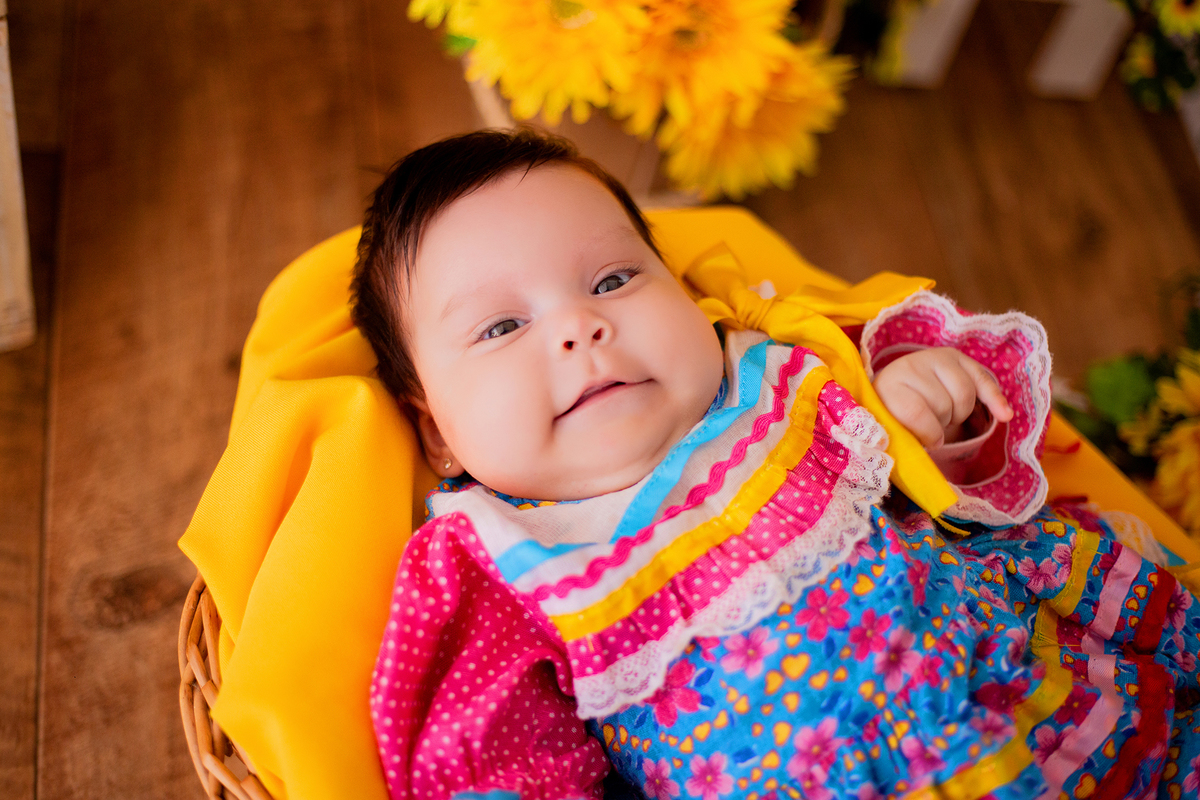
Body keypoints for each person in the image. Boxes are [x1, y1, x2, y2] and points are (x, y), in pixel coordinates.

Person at [356, 128, 1200, 800]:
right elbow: (493, 750)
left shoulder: (773, 380)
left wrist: (920, 413)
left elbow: (952, 493)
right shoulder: (493, 557)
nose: (579, 327)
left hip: (1043, 704)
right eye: (501, 328)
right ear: (436, 435)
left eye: (613, 278)